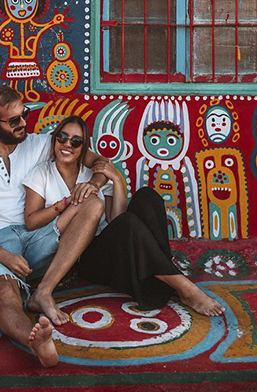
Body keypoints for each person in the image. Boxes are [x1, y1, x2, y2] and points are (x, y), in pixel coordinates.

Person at [0, 86, 108, 367]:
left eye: (23, 115)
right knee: (5, 293)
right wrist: (5, 257)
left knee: (93, 205)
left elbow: (95, 159)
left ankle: (42, 292)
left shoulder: (39, 144)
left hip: (37, 235)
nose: (23, 123)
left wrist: (94, 182)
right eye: (13, 120)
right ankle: (35, 340)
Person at [24, 115, 225, 317]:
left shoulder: (93, 174)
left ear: (84, 148)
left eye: (76, 141)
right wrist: (65, 204)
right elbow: (31, 221)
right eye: (62, 138)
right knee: (128, 223)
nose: (67, 144)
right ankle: (184, 287)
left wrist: (116, 179)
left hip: (111, 246)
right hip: (84, 257)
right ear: (54, 140)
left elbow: (115, 220)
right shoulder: (43, 173)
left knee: (148, 196)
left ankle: (163, 280)